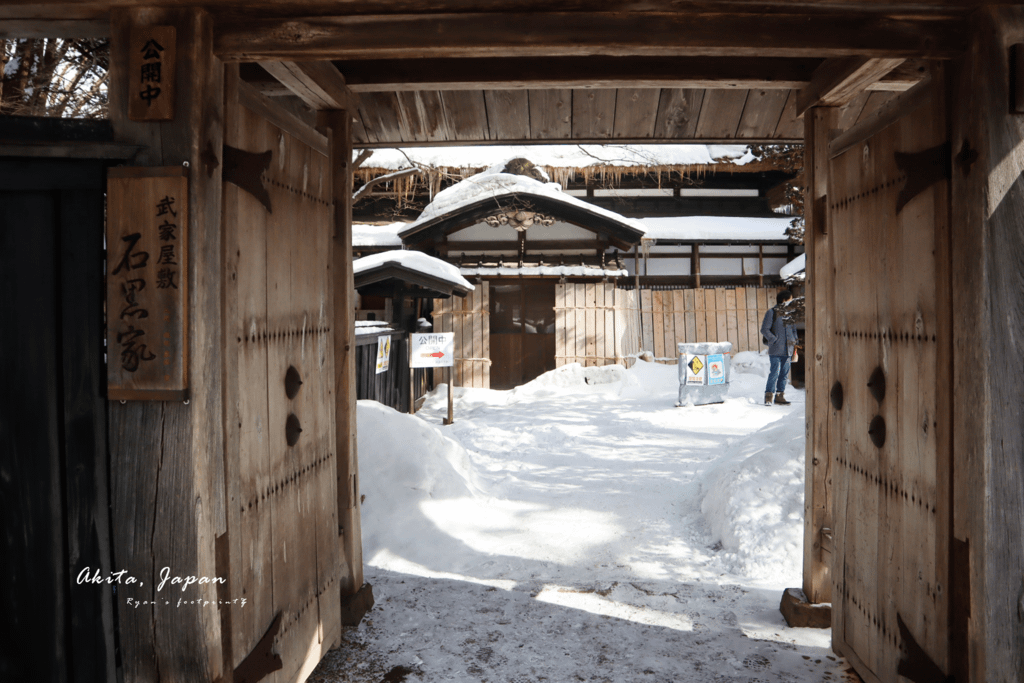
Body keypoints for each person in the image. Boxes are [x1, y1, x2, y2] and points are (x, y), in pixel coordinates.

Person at [760, 290, 799, 405]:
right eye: (790, 299)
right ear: (784, 300)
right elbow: (764, 329)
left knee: (784, 374)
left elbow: (793, 330)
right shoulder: (771, 312)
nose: (791, 302)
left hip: (788, 349)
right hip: (776, 349)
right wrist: (774, 340)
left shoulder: (790, 314)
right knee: (775, 372)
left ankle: (780, 396)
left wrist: (795, 342)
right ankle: (768, 396)